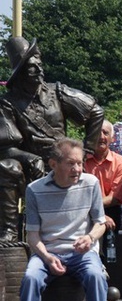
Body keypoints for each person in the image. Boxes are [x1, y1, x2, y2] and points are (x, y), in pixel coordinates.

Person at [0, 36, 103, 243]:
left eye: (39, 64)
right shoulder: (8, 103)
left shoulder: (57, 92)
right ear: (20, 72)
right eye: (31, 67)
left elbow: (95, 112)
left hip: (62, 162)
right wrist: (30, 158)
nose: (39, 70)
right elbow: (5, 146)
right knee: (6, 166)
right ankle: (9, 231)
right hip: (30, 166)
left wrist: (87, 151)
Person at [17, 138, 109, 301]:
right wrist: (47, 257)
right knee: (30, 278)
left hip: (82, 252)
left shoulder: (91, 183)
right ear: (53, 164)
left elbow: (101, 223)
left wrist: (89, 238)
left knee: (96, 276)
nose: (77, 169)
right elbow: (33, 236)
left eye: (80, 163)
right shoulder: (34, 190)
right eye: (71, 164)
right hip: (46, 251)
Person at [85, 119, 122, 232]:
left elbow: (115, 198)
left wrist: (98, 214)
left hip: (110, 209)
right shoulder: (80, 161)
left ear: (112, 138)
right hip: (82, 209)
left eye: (105, 133)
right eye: (97, 132)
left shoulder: (121, 163)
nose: (101, 137)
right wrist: (97, 214)